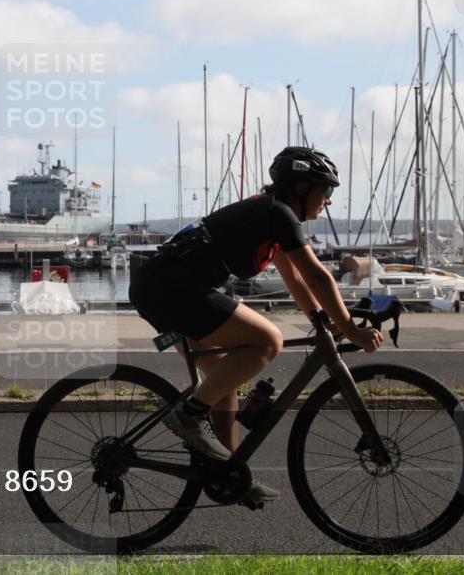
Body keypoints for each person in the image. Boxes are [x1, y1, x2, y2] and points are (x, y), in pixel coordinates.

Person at [128, 146, 383, 504]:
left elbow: (296, 278)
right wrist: (352, 329)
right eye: (325, 191)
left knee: (222, 379)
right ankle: (188, 415)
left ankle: (228, 473)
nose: (328, 201)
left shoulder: (268, 214)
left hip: (160, 288)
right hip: (172, 288)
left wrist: (320, 319)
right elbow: (319, 277)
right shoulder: (277, 213)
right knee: (267, 340)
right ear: (300, 188)